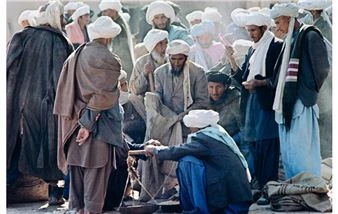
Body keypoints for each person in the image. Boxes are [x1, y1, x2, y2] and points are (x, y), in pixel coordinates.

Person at [7, 0, 73, 205]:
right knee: (51, 150)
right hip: (50, 108)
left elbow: (8, 70)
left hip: (21, 105)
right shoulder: (63, 42)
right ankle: (54, 194)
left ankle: (8, 189)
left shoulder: (22, 36)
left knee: (14, 146)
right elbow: (66, 80)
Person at [53, 16, 122, 213]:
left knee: (77, 185)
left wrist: (81, 125)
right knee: (96, 182)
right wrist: (87, 125)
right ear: (109, 38)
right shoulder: (109, 59)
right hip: (96, 130)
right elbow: (103, 95)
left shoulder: (75, 55)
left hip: (72, 126)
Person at [138, 39, 209, 201]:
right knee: (163, 155)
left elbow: (202, 101)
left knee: (184, 159)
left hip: (189, 125)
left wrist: (182, 117)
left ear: (186, 58)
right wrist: (153, 102)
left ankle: (184, 191)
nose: (176, 63)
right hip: (167, 123)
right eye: (173, 59)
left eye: (180, 59)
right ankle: (167, 189)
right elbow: (159, 96)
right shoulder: (160, 72)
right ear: (168, 57)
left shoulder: (198, 72)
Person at [225, 8, 283, 205]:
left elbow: (278, 78)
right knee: (254, 146)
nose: (250, 34)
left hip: (265, 105)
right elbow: (243, 78)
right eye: (248, 30)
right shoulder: (253, 48)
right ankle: (259, 189)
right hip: (251, 105)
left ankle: (270, 190)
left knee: (268, 146)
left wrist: (260, 84)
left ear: (264, 28)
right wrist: (232, 59)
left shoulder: (276, 46)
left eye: (254, 30)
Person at [144, 110, 252, 213]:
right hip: (237, 193)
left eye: (191, 126)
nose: (190, 129)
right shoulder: (215, 135)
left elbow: (180, 151)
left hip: (231, 196)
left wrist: (156, 150)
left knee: (187, 161)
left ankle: (199, 208)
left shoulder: (204, 138)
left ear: (196, 126)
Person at [271, 3, 329, 180]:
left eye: (279, 22)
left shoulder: (310, 35)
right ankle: (295, 184)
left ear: (289, 20)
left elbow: (322, 69)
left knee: (303, 147)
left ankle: (309, 184)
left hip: (302, 101)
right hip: (288, 101)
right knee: (290, 149)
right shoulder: (291, 38)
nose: (277, 27)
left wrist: (308, 90)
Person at [206, 71, 248, 156]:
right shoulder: (203, 99)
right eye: (211, 87)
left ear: (226, 87)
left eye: (219, 87)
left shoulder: (235, 99)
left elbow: (244, 129)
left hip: (234, 137)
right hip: (212, 138)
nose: (215, 91)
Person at [99, 0, 135, 78]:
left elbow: (118, 49)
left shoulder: (118, 26)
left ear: (113, 11)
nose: (103, 14)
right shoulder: (118, 22)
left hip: (123, 64)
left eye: (105, 11)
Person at [129, 29, 168, 97]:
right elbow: (134, 90)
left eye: (166, 43)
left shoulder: (172, 60)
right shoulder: (141, 63)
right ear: (153, 46)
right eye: (161, 44)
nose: (164, 47)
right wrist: (144, 74)